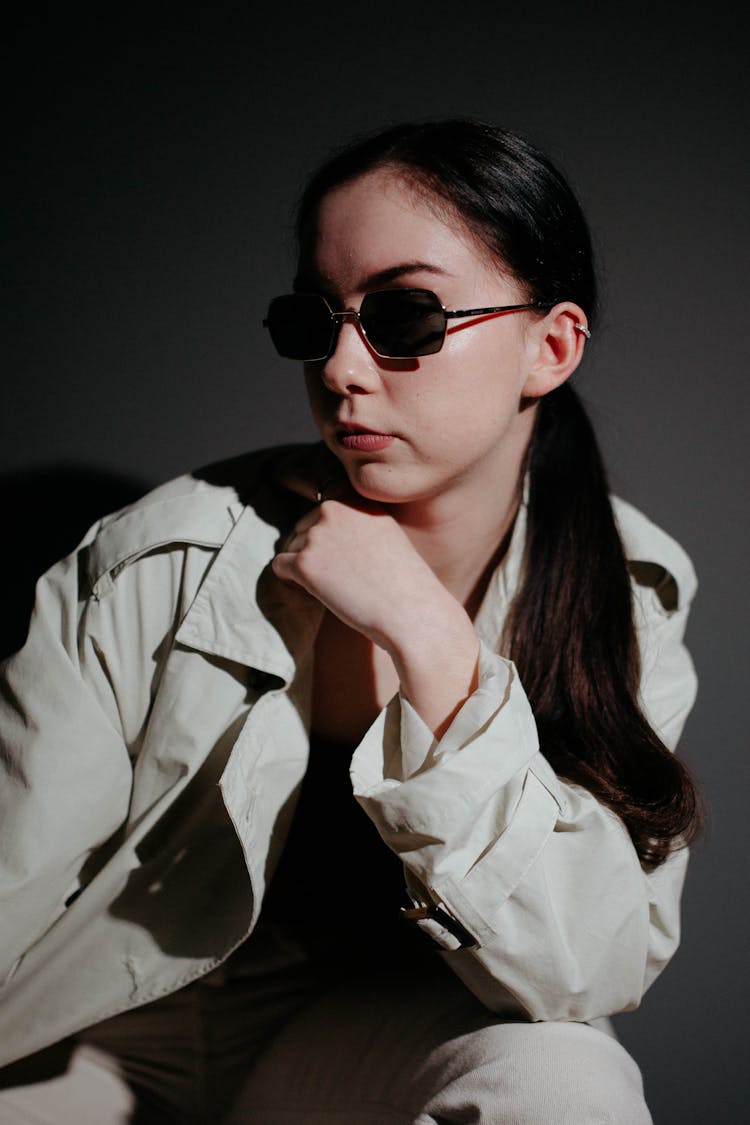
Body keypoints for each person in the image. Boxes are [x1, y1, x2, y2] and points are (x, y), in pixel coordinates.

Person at [0, 120, 701, 1123]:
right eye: (314, 319)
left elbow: (586, 970)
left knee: (565, 1083)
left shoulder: (627, 591)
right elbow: (12, 870)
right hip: (109, 1042)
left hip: (346, 1053)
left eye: (403, 316)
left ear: (550, 347)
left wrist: (429, 635)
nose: (339, 367)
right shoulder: (162, 562)